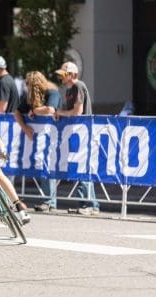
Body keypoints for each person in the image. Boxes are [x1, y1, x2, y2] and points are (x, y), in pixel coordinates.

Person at [54, 62, 100, 215]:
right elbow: (69, 111)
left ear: (72, 75)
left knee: (83, 168)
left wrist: (60, 113)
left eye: (63, 74)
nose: (61, 76)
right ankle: (85, 203)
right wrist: (59, 112)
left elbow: (77, 112)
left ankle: (91, 205)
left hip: (83, 132)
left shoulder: (78, 86)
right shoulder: (69, 90)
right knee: (78, 168)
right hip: (75, 132)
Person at [14, 71, 61, 212]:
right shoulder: (30, 97)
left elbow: (50, 109)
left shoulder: (52, 92)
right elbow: (17, 112)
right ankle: (47, 200)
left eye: (29, 85)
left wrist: (35, 110)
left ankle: (50, 201)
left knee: (49, 166)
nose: (27, 88)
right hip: (40, 137)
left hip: (55, 136)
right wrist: (25, 127)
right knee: (43, 165)